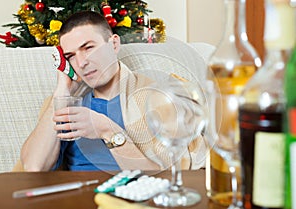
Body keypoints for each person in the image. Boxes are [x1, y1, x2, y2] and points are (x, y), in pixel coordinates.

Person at [16, 11, 206, 172]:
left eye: (88, 47)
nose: (81, 63)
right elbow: (33, 168)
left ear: (114, 44)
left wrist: (107, 130)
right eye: (71, 56)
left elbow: (165, 174)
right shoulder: (68, 103)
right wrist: (61, 93)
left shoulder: (156, 97)